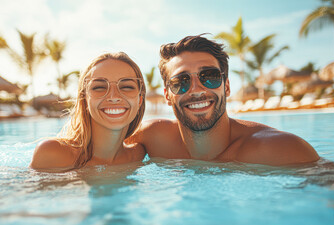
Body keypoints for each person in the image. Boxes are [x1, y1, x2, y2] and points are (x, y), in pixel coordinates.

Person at [128, 35, 319, 166]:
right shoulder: (151, 138)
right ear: (168, 95)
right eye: (181, 82)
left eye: (209, 76)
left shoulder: (280, 149)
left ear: (226, 87)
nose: (196, 90)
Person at [31, 52, 146, 172]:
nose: (113, 96)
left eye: (126, 87)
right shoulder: (53, 154)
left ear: (140, 101)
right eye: (99, 87)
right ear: (85, 99)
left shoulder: (139, 155)